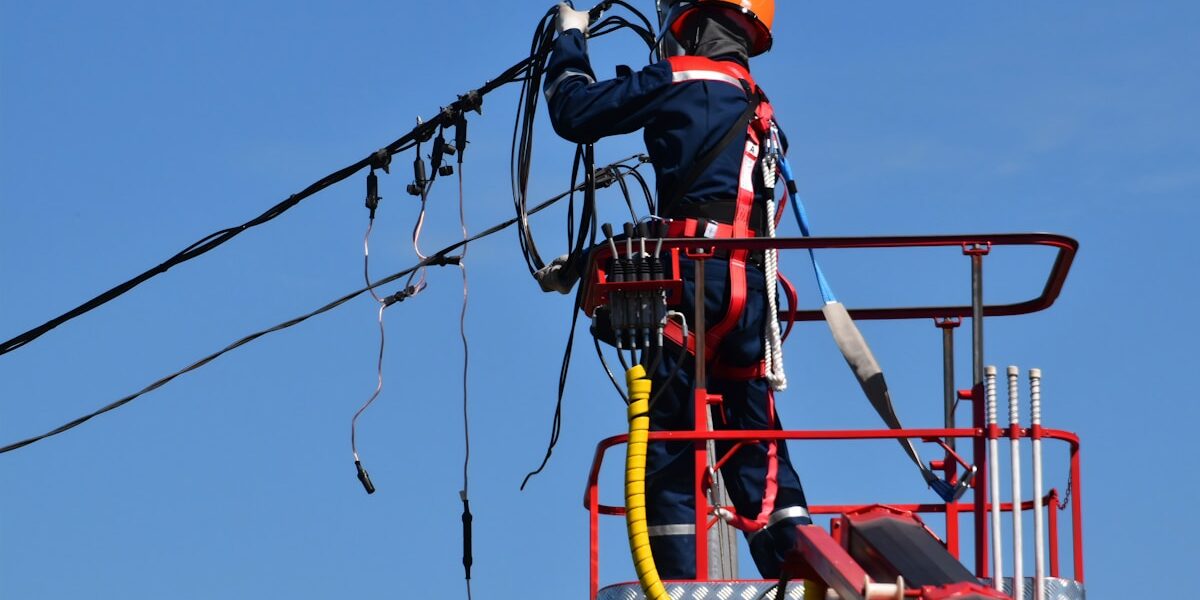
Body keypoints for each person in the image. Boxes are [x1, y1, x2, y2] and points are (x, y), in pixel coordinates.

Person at [542, 0, 811, 580]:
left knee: (670, 447)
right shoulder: (757, 106)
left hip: (689, 288)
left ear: (685, 19)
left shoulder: (681, 79)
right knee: (757, 445)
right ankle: (801, 569)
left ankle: (681, 584)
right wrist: (586, 263)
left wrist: (569, 40)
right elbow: (714, 212)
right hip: (747, 295)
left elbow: (573, 112)